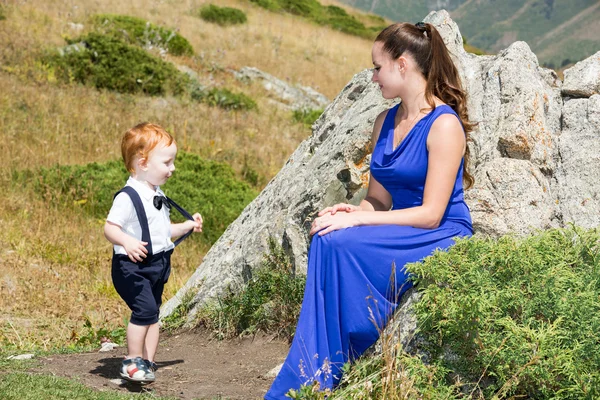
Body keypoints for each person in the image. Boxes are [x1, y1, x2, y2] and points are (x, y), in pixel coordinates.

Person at [265, 21, 474, 398]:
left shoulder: (444, 126)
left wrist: (363, 219)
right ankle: (316, 369)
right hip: (401, 226)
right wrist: (350, 212)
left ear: (403, 64)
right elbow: (378, 199)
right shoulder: (384, 121)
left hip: (440, 233)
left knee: (339, 243)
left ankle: (326, 366)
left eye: (377, 67)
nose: (373, 76)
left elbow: (431, 214)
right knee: (328, 236)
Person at [104, 122, 203, 383]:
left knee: (153, 314)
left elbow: (161, 230)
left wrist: (187, 225)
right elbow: (110, 228)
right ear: (143, 162)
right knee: (145, 310)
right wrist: (127, 241)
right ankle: (132, 361)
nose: (173, 169)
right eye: (167, 162)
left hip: (158, 264)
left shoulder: (156, 193)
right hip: (132, 266)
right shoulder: (127, 197)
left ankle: (147, 361)